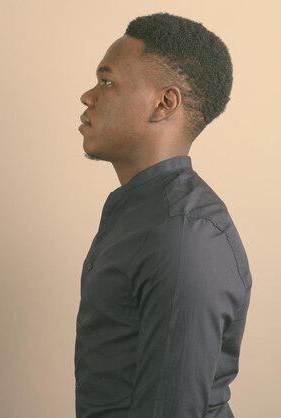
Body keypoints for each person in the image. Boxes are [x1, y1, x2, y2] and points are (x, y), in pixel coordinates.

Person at [75, 13, 252, 418]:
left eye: (107, 82)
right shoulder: (143, 211)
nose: (88, 96)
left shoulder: (184, 237)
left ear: (164, 103)